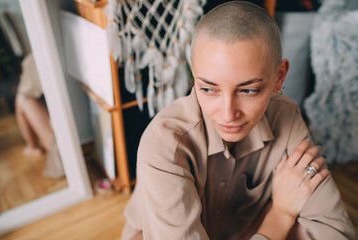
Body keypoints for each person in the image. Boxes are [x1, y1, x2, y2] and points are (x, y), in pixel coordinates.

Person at [122, 1, 356, 239]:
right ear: (194, 72)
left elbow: (338, 233)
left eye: (248, 90)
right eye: (208, 89)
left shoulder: (287, 116)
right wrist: (280, 214)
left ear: (279, 76)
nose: (227, 114)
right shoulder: (165, 143)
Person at [15, 52, 64, 178]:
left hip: (63, 148)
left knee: (21, 98)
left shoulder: (38, 57)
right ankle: (31, 146)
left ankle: (32, 146)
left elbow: (24, 92)